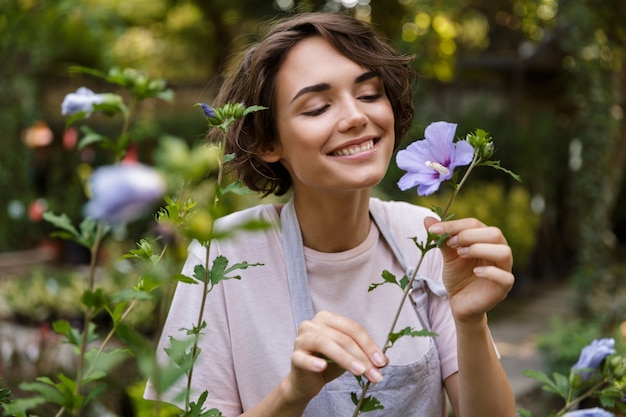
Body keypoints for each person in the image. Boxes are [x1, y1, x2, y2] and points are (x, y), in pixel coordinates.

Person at [145, 12, 516, 417]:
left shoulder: (426, 239)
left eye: (370, 94)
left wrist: (471, 320)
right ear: (269, 141)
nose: (356, 116)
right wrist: (292, 393)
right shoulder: (220, 259)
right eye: (318, 107)